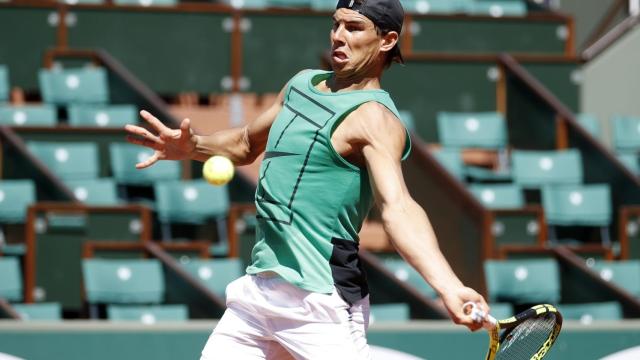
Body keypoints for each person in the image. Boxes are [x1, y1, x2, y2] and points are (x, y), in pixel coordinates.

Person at [125, 0, 490, 358]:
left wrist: (449, 286)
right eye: (336, 25)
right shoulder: (302, 84)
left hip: (320, 298)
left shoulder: (375, 119)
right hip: (259, 292)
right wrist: (194, 146)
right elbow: (245, 144)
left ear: (387, 41)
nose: (338, 36)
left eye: (354, 27)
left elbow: (398, 208)